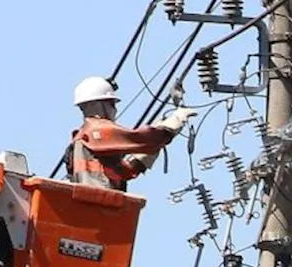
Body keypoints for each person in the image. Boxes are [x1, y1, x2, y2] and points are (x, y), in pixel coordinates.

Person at [64, 76, 197, 190]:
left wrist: (151, 148)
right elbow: (145, 140)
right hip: (99, 204)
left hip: (98, 208)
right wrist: (176, 120)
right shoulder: (97, 131)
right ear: (99, 105)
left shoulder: (83, 140)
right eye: (112, 104)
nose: (115, 110)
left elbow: (127, 171)